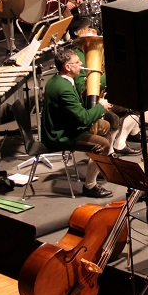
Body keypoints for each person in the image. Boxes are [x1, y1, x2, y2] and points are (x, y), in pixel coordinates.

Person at [41, 48, 115, 199]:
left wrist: (97, 103)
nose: (81, 63)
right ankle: (90, 186)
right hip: (61, 135)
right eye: (77, 62)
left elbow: (76, 109)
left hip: (67, 124)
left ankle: (99, 165)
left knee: (105, 126)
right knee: (103, 145)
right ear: (67, 67)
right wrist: (101, 107)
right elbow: (83, 119)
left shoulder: (58, 79)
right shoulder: (63, 89)